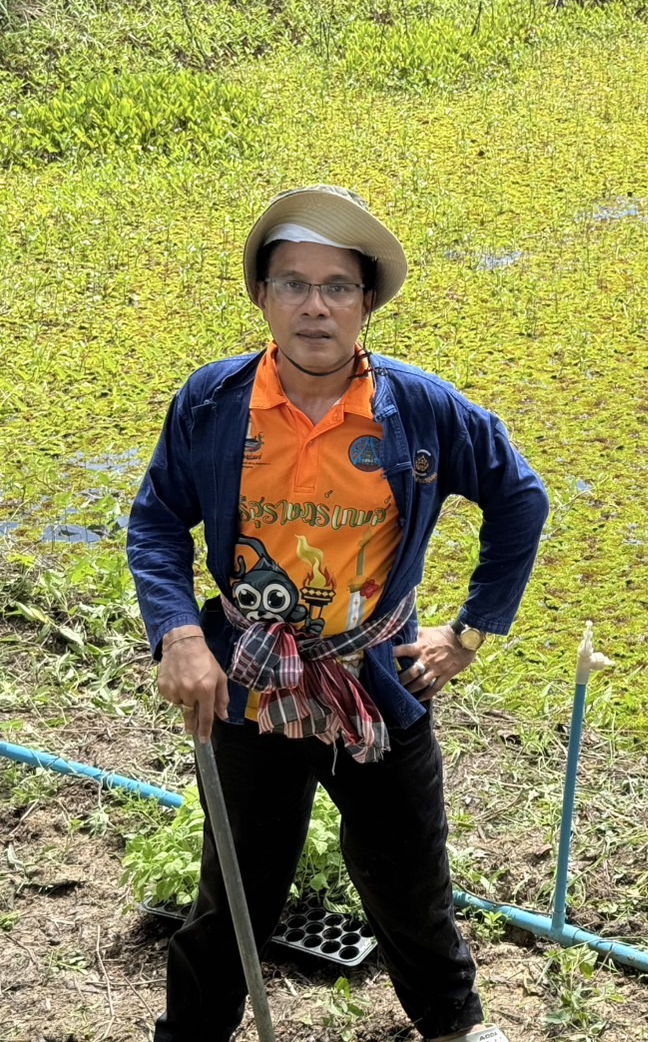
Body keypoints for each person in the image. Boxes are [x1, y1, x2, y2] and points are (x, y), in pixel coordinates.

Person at [126, 185, 549, 1042]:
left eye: (337, 287)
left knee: (409, 880)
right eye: (292, 283)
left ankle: (453, 1024)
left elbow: (519, 499)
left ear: (366, 302)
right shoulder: (213, 404)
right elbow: (157, 519)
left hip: (379, 683)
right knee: (235, 887)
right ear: (261, 296)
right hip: (248, 690)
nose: (314, 306)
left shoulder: (420, 408)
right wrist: (178, 634)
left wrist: (467, 633)